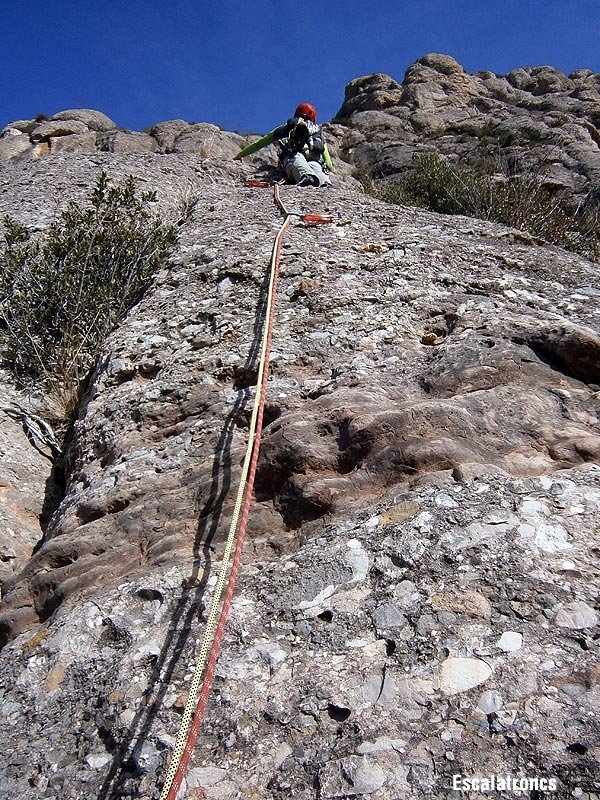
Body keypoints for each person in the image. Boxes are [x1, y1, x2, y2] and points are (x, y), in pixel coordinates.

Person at [234, 103, 333, 187]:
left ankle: (306, 176)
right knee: (315, 165)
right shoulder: (317, 133)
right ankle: (325, 182)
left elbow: (260, 143)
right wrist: (327, 167)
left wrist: (241, 154)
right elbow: (329, 163)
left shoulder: (287, 127)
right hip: (314, 159)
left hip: (293, 155)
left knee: (296, 158)